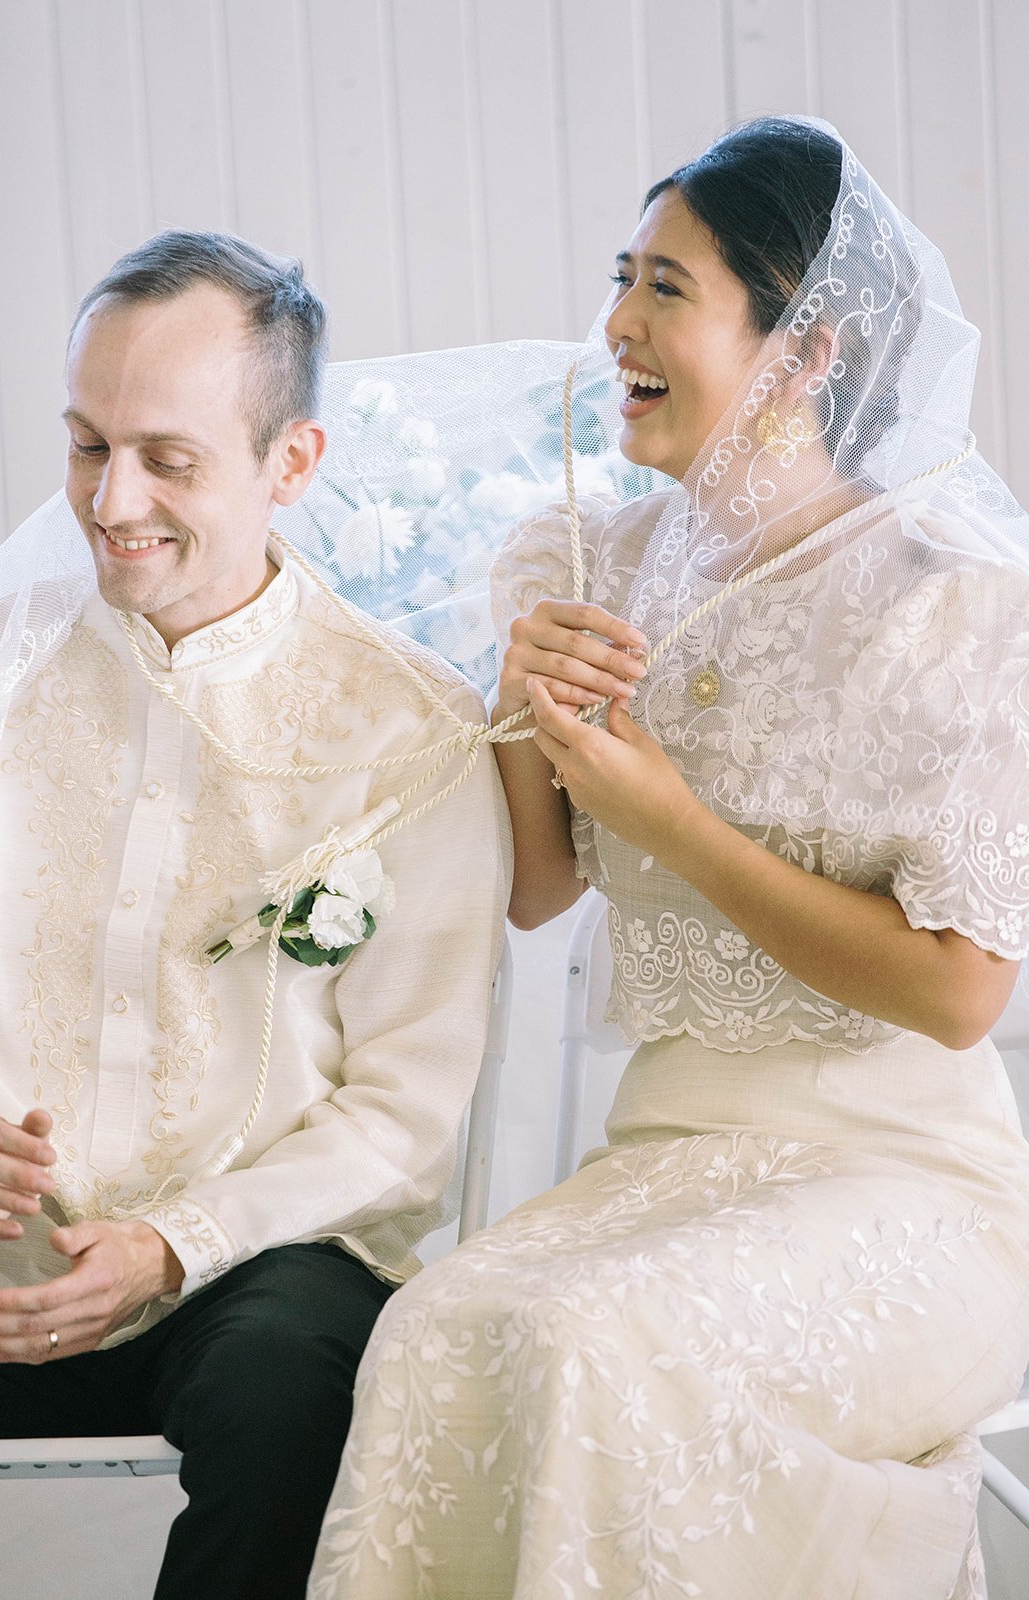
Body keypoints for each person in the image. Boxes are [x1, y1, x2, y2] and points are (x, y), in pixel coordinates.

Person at [309, 118, 1029, 1599]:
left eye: (670, 288)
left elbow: (962, 999)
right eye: (622, 277)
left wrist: (673, 826)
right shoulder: (576, 566)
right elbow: (537, 885)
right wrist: (529, 708)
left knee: (595, 1344)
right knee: (434, 1330)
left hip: (910, 1178)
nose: (619, 324)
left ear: (808, 349)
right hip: (669, 1153)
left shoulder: (962, 611)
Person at [0, 231, 508, 1599]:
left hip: (266, 1268)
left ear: (292, 464)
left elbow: (405, 1119)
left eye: (167, 457)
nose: (110, 497)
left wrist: (171, 1244)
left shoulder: (412, 722)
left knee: (286, 1406)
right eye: (86, 446)